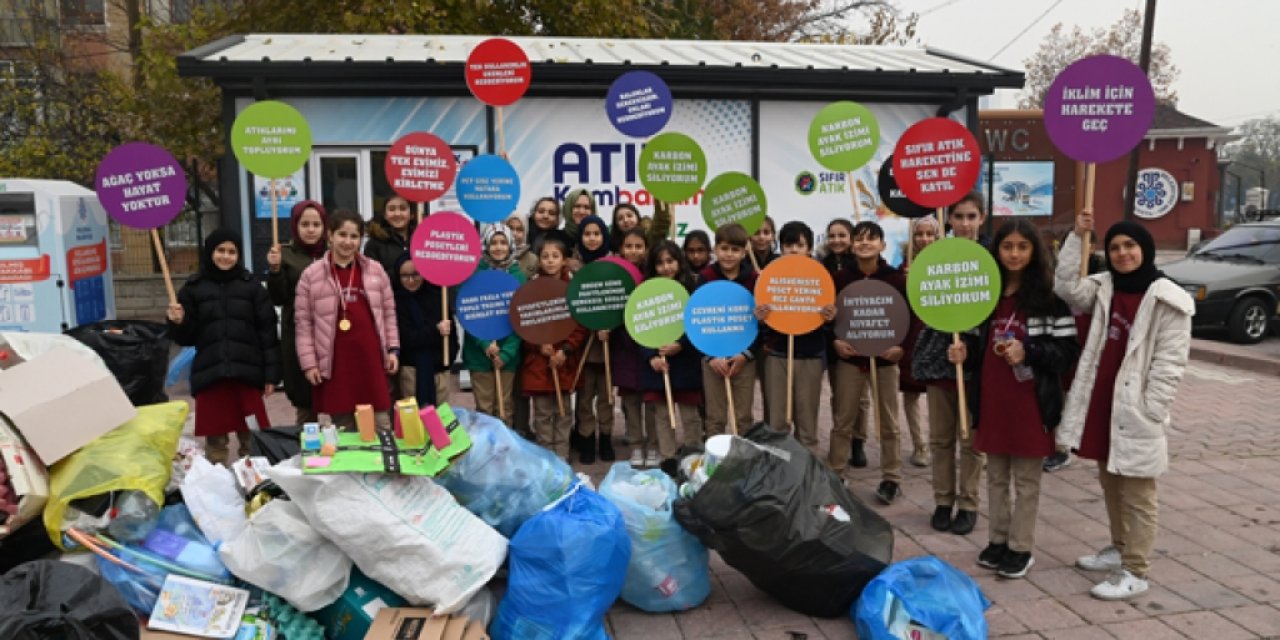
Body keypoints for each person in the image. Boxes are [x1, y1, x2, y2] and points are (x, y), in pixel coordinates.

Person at [1054, 212, 1193, 600]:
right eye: (1114, 247)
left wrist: (1151, 408)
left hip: (1136, 408)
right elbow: (1065, 287)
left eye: (1130, 246)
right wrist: (1076, 237)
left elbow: (1170, 362)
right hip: (1103, 402)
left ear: (1144, 249)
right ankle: (1118, 548)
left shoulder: (1168, 297)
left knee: (1138, 492)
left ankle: (1137, 569)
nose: (1122, 253)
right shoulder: (1102, 287)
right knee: (1111, 481)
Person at [948, 219, 1080, 579]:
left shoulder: (1051, 302)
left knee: (1025, 482)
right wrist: (965, 353)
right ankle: (997, 540)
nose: (1015, 254)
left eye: (1023, 247)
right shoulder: (985, 298)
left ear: (1034, 252)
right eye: (1008, 247)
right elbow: (979, 349)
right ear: (997, 251)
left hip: (1031, 404)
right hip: (993, 401)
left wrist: (1030, 350)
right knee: (995, 477)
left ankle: (1021, 547)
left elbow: (1067, 353)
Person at [166, 229, 279, 466]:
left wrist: (271, 375)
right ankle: (219, 488)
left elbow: (267, 334)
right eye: (220, 250)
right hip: (212, 376)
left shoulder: (253, 288)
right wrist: (177, 322)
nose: (226, 257)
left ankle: (254, 488)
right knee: (216, 445)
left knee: (253, 439)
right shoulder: (193, 289)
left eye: (232, 252)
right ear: (210, 252)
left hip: (247, 376)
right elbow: (186, 337)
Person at [912, 192, 990, 535]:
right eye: (959, 217)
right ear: (950, 220)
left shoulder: (991, 257)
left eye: (971, 216)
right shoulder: (936, 257)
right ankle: (943, 500)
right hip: (940, 359)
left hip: (979, 360)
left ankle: (969, 502)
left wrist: (972, 348)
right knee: (941, 438)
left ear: (982, 218)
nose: (965, 223)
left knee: (971, 439)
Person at [295, 210, 399, 430]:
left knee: (381, 425)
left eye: (354, 236)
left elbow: (389, 314)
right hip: (336, 364)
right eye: (342, 234)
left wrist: (393, 349)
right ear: (330, 235)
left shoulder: (375, 270)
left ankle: (382, 464)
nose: (348, 242)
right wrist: (309, 364)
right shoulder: (311, 275)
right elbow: (304, 325)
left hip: (370, 361)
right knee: (345, 430)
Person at [829, 221, 908, 505]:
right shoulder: (839, 278)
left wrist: (900, 347)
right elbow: (829, 318)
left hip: (885, 362)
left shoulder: (896, 279)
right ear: (851, 245)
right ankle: (835, 473)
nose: (864, 244)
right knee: (843, 420)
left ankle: (891, 478)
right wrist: (835, 341)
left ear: (882, 245)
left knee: (889, 422)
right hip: (851, 360)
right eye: (859, 239)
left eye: (871, 239)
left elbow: (908, 319)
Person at [756, 221, 834, 457]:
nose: (793, 250)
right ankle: (776, 471)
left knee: (807, 420)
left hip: (810, 355)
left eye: (799, 245)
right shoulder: (770, 275)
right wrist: (761, 316)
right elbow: (761, 317)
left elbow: (829, 316)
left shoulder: (820, 276)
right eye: (788, 245)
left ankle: (806, 471)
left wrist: (829, 315)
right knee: (777, 421)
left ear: (809, 248)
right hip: (778, 353)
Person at [520, 233, 589, 460]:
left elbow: (580, 325)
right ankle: (546, 459)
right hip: (539, 364)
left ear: (565, 260)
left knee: (563, 413)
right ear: (539, 261)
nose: (550, 260)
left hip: (564, 363)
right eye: (545, 256)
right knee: (542, 414)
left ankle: (561, 457)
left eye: (555, 256)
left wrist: (565, 350)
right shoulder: (531, 289)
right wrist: (538, 345)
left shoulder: (573, 289)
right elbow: (523, 321)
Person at [641, 240, 704, 476]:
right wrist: (651, 357)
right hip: (659, 365)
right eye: (660, 263)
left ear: (679, 261)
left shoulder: (692, 288)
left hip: (685, 362)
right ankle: (667, 459)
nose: (666, 267)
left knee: (690, 415)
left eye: (670, 261)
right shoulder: (646, 291)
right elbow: (639, 328)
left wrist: (681, 345)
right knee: (662, 415)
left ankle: (693, 457)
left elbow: (698, 324)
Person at [266, 200, 327, 424]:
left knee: (336, 395)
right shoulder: (285, 255)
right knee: (305, 398)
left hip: (330, 331)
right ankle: (305, 447)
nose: (311, 229)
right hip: (298, 331)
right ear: (295, 226)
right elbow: (278, 298)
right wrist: (274, 270)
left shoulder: (333, 254)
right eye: (305, 224)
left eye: (316, 224)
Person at [697, 222, 757, 437]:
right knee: (715, 416)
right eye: (724, 248)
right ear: (715, 250)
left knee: (743, 416)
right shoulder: (705, 278)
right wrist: (711, 357)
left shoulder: (754, 280)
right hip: (713, 358)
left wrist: (745, 355)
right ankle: (716, 465)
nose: (729, 255)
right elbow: (697, 320)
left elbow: (759, 323)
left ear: (744, 252)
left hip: (744, 358)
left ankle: (743, 462)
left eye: (735, 249)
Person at [821, 218, 872, 467]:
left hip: (861, 337)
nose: (837, 240)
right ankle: (841, 438)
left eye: (842, 235)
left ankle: (858, 441)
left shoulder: (861, 266)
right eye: (832, 235)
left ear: (851, 239)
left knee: (861, 397)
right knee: (840, 396)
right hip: (834, 340)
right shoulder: (821, 266)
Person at [463, 224, 525, 425]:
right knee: (484, 408)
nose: (498, 247)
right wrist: (484, 344)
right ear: (486, 245)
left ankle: (504, 452)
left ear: (510, 245)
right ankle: (485, 453)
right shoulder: (474, 275)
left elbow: (521, 318)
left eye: (503, 242)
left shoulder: (518, 276)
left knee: (504, 408)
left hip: (507, 355)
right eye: (493, 243)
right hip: (479, 355)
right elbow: (468, 312)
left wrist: (507, 352)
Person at [572, 215, 617, 464]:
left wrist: (610, 327)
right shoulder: (573, 267)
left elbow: (620, 300)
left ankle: (606, 437)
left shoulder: (613, 265)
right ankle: (586, 438)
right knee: (585, 397)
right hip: (583, 347)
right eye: (587, 234)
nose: (592, 238)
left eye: (596, 234)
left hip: (607, 345)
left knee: (606, 397)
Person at [610, 228, 657, 465]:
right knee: (630, 400)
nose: (633, 251)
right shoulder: (614, 275)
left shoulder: (653, 276)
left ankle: (653, 445)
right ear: (621, 249)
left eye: (639, 246)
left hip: (649, 346)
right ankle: (636, 444)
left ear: (646, 249)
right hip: (625, 348)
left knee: (651, 400)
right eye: (629, 246)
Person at [899, 216, 940, 467]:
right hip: (912, 333)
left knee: (942, 393)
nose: (924, 239)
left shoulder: (948, 261)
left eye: (930, 234)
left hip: (940, 333)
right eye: (919, 234)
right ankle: (920, 445)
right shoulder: (905, 265)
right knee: (911, 392)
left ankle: (942, 442)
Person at [392, 254, 458, 408]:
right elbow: (406, 338)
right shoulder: (397, 301)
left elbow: (451, 333)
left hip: (439, 369)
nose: (410, 280)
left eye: (415, 274)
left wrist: (449, 359)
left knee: (441, 419)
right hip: (411, 370)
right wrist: (435, 331)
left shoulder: (437, 297)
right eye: (404, 276)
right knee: (413, 421)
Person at [364, 195, 416, 279]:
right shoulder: (374, 244)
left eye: (402, 209)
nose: (397, 214)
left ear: (412, 214)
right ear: (385, 215)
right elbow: (371, 279)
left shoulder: (422, 240)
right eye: (392, 209)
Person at [505, 211, 538, 279]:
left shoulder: (533, 259)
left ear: (525, 233)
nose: (514, 233)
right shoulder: (492, 255)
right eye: (510, 228)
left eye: (519, 229)